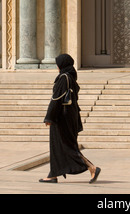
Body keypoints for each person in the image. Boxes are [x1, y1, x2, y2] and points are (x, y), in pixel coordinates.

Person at [39, 54, 101, 184]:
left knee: (66, 146)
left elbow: (56, 100)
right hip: (70, 117)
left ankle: (92, 167)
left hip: (62, 118)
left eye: (57, 63)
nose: (56, 66)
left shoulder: (63, 78)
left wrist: (49, 117)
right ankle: (53, 175)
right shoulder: (71, 77)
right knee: (60, 146)